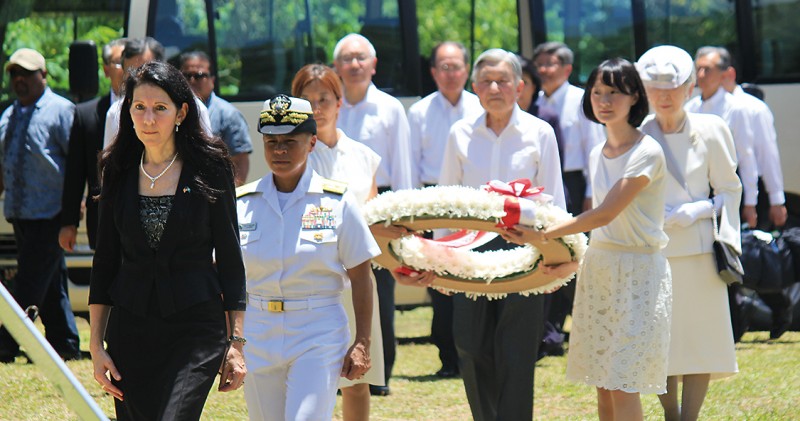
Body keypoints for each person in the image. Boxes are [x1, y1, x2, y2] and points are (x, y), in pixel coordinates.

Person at [504, 58, 671, 421]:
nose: (604, 100)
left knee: (624, 381)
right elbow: (600, 226)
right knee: (603, 383)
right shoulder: (597, 152)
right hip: (601, 271)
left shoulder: (647, 152)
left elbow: (604, 214)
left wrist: (544, 234)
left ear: (634, 98)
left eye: (614, 92)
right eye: (597, 92)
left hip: (640, 272)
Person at [88, 61, 247, 420]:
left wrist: (235, 343)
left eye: (160, 108)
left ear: (181, 112)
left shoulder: (211, 167)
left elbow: (230, 257)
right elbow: (105, 262)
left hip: (195, 329)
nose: (148, 119)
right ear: (127, 112)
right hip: (131, 331)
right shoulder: (116, 169)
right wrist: (96, 345)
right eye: (139, 108)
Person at [438, 48, 565, 420]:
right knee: (470, 346)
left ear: (520, 86)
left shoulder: (540, 132)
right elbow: (445, 198)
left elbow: (555, 197)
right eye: (487, 81)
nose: (495, 87)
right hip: (467, 252)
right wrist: (439, 259)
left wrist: (555, 257)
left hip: (524, 251)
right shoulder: (459, 133)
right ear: (475, 87)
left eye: (503, 80)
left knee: (517, 351)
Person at [238, 95, 380, 421]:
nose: (280, 150)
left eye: (290, 141)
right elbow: (227, 278)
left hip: (317, 331)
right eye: (271, 142)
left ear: (312, 142)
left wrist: (362, 341)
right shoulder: (243, 203)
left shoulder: (337, 201)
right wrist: (231, 341)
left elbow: (361, 275)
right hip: (258, 331)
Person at [637, 44, 740, 421]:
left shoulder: (712, 129)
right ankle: (669, 413)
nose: (665, 97)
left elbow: (730, 187)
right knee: (662, 341)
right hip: (654, 250)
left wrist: (702, 208)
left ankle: (689, 417)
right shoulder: (637, 135)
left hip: (698, 252)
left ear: (689, 89)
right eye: (656, 88)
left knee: (700, 342)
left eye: (673, 87)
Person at [291, 63, 385, 421]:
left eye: (324, 98)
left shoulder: (363, 156)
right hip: (311, 279)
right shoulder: (292, 156)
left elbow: (374, 217)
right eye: (306, 99)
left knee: (357, 378)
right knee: (311, 378)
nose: (316, 107)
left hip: (357, 279)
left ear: (339, 102)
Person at [333, 32, 414, 396]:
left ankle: (379, 374)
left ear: (373, 65)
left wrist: (406, 216)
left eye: (360, 58)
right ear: (336, 67)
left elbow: (402, 165)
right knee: (336, 292)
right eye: (347, 59)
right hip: (333, 214)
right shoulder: (329, 107)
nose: (354, 65)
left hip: (378, 213)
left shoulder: (389, 108)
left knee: (378, 293)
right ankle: (336, 367)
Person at [407, 41, 482, 379]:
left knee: (473, 275)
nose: (451, 73)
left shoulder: (481, 107)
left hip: (473, 201)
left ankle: (475, 354)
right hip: (432, 201)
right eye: (444, 67)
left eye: (456, 66)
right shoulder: (419, 112)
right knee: (438, 282)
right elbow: (410, 165)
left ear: (467, 70)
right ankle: (448, 357)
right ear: (434, 72)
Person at [0, 48, 80, 363]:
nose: (20, 80)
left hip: (52, 213)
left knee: (29, 281)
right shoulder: (8, 115)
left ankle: (6, 342)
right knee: (51, 282)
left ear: (43, 75)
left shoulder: (61, 111)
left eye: (27, 73)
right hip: (20, 213)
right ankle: (65, 343)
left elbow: (76, 164)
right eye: (14, 74)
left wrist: (76, 207)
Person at [532, 42, 606, 350]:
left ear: (567, 69)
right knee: (549, 250)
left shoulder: (580, 100)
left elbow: (594, 147)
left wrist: (591, 191)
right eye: (541, 65)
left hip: (576, 183)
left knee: (576, 253)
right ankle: (550, 329)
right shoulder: (534, 101)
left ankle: (585, 325)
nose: (545, 70)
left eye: (551, 64)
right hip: (547, 182)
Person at [60, 38, 127, 252]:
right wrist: (69, 223)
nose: (128, 68)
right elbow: (75, 172)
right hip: (101, 219)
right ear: (106, 69)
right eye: (120, 62)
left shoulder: (152, 113)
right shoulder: (86, 114)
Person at [684, 46, 759, 228]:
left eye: (707, 69)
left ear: (723, 74)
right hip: (700, 191)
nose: (701, 75)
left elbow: (746, 156)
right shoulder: (690, 108)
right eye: (698, 69)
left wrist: (750, 203)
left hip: (729, 187)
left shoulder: (736, 109)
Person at [716, 47, 787, 230]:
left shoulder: (753, 107)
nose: (701, 77)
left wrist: (776, 200)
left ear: (729, 74)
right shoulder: (698, 106)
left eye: (708, 71)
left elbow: (767, 154)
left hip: (753, 190)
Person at [102, 37, 213, 148]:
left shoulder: (196, 108)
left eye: (160, 108)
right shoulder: (115, 113)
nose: (139, 78)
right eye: (140, 107)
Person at [179, 51, 252, 186]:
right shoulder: (173, 111)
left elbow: (240, 161)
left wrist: (229, 198)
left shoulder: (229, 115)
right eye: (187, 75)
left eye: (199, 75)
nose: (192, 81)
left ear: (212, 79)